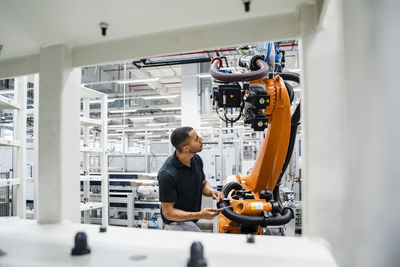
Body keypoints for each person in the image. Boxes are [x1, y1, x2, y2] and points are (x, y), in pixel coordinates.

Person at [157, 126, 224, 232]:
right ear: (186, 148)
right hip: (175, 224)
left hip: (190, 221)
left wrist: (212, 192)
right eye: (197, 139)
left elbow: (203, 184)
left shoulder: (196, 159)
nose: (201, 139)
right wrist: (200, 215)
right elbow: (168, 213)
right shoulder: (167, 174)